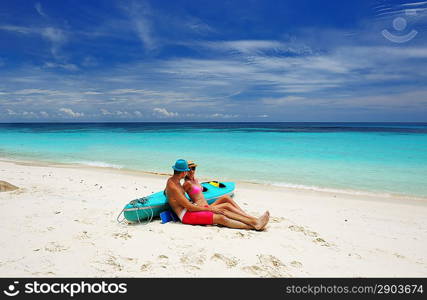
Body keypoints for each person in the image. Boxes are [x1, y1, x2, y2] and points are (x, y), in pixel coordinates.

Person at [166, 159, 269, 230]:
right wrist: (210, 209)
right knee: (221, 217)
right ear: (184, 172)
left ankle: (254, 221)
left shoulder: (174, 181)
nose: (189, 172)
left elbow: (171, 195)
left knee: (223, 210)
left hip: (190, 210)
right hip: (186, 216)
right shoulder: (174, 186)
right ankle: (253, 225)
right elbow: (188, 206)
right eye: (188, 170)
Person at [183, 161, 261, 222]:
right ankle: (251, 218)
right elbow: (181, 196)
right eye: (189, 169)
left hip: (207, 205)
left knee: (226, 198)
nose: (191, 171)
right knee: (227, 206)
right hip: (202, 207)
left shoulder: (196, 181)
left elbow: (198, 193)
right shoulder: (187, 183)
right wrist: (192, 204)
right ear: (185, 171)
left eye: (193, 168)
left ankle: (245, 215)